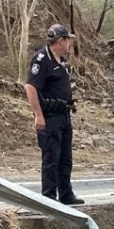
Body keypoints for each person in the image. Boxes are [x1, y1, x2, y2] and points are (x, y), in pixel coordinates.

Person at [23, 23, 84, 206]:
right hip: (49, 117)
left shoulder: (61, 62)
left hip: (64, 115)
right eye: (68, 40)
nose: (70, 44)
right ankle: (49, 197)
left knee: (65, 158)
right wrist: (38, 115)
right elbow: (30, 87)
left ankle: (66, 194)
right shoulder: (42, 60)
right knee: (51, 158)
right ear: (61, 40)